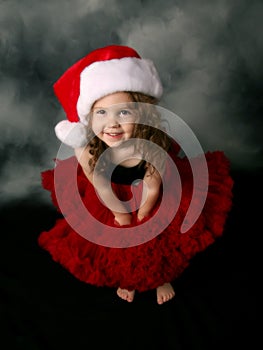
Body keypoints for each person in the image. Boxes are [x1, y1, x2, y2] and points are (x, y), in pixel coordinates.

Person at [38, 45, 233, 304]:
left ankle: (161, 276)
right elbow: (100, 184)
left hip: (149, 192)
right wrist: (120, 214)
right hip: (109, 193)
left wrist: (143, 214)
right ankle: (127, 279)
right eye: (102, 113)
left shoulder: (152, 146)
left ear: (141, 114)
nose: (112, 123)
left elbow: (153, 186)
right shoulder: (85, 150)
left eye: (124, 112)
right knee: (116, 242)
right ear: (89, 119)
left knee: (158, 237)